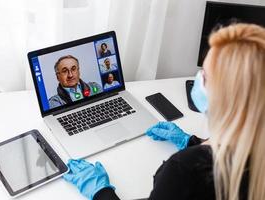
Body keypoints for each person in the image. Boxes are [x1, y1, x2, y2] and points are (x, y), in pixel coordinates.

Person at [62, 24, 265, 200]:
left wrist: (101, 192)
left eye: (204, 75)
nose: (197, 79)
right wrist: (192, 141)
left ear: (224, 98)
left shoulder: (183, 171)